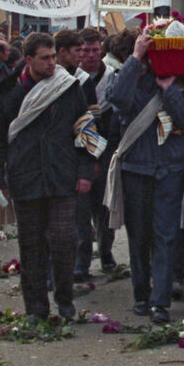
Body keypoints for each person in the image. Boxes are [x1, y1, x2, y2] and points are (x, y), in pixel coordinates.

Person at [0, 32, 94, 322]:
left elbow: (87, 132)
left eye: (53, 57)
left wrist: (85, 172)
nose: (51, 63)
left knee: (64, 240)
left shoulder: (69, 87)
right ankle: (35, 308)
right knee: (31, 246)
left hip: (62, 177)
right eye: (45, 58)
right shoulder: (8, 90)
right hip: (25, 178)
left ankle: (65, 300)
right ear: (29, 59)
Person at [105, 32, 184, 324]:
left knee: (165, 235)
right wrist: (134, 60)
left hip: (169, 167)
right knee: (139, 236)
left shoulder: (171, 76)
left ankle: (161, 301)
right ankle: (141, 294)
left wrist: (169, 90)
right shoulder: (121, 78)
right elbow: (118, 100)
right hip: (136, 168)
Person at [74, 28, 116, 280]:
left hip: (106, 150)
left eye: (94, 50)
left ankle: (107, 250)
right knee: (81, 211)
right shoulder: (74, 80)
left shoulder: (111, 77)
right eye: (85, 51)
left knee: (105, 209)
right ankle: (82, 258)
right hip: (82, 151)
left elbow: (111, 124)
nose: (90, 55)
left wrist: (102, 158)